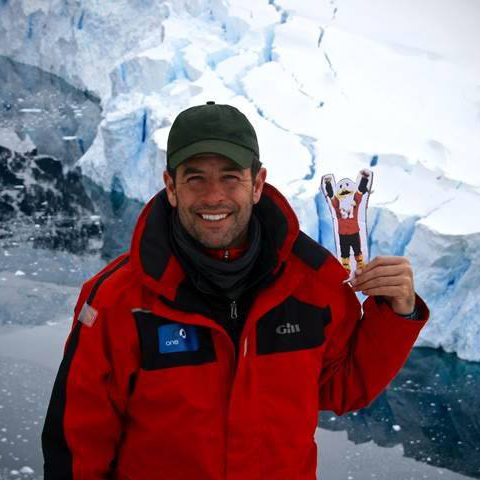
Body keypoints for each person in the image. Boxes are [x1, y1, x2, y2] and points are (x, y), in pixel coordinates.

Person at [42, 101, 429, 480]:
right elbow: (77, 445)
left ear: (257, 183)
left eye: (230, 177)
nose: (213, 196)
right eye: (195, 178)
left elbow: (343, 386)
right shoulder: (118, 300)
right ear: (171, 187)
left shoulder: (313, 284)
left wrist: (398, 314)